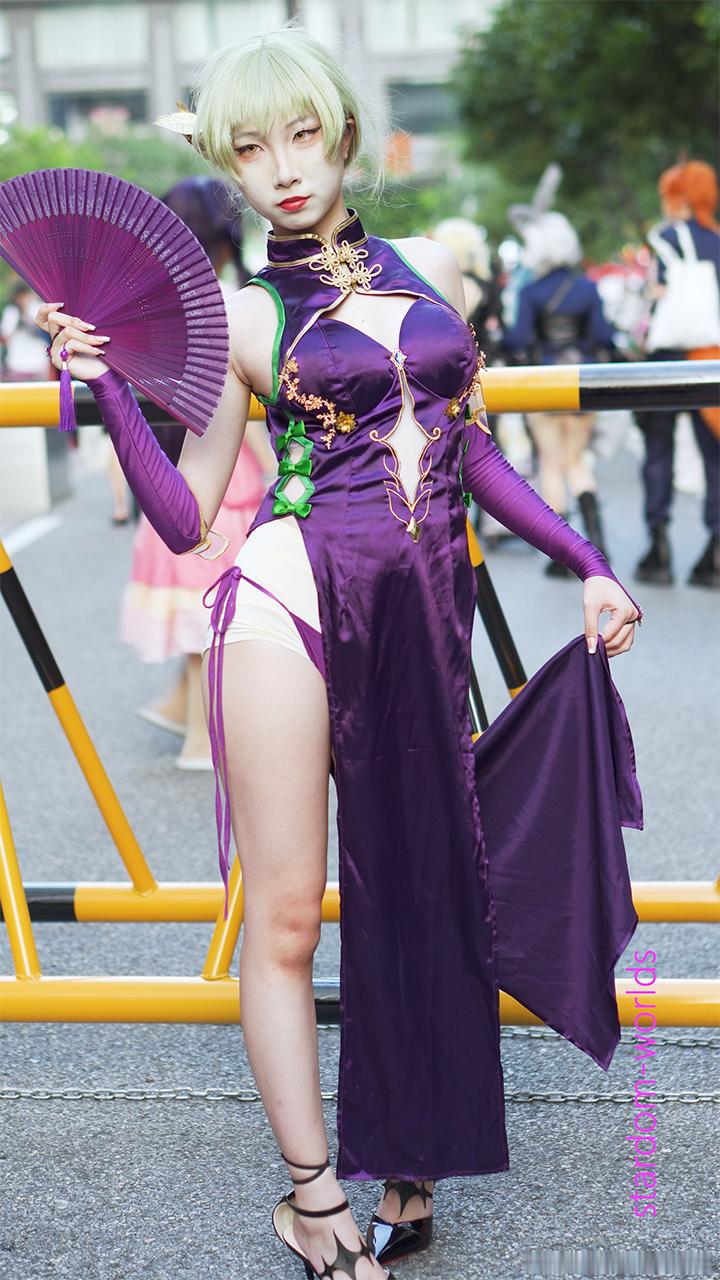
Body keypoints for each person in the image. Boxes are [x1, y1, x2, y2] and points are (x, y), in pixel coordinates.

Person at [35, 25, 643, 1280]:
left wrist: (587, 559)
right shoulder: (243, 313)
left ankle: (412, 1154)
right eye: (250, 150)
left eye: (302, 135)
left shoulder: (429, 283)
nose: (283, 168)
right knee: (288, 917)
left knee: (426, 883)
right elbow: (188, 514)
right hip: (289, 607)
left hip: (419, 614)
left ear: (344, 135)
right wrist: (106, 387)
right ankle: (313, 1198)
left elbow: (474, 451)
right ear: (230, 166)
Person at [124, 176, 277, 768]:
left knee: (197, 608)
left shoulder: (147, 304)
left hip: (167, 472)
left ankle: (178, 710)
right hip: (225, 474)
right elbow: (240, 409)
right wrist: (278, 469)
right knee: (215, 612)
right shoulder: (231, 300)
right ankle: (201, 737)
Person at [502, 209, 619, 578]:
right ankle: (598, 540)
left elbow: (518, 339)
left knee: (552, 464)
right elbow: (604, 336)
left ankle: (563, 556)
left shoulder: (531, 291)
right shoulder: (587, 288)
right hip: (584, 382)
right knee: (576, 461)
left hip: (544, 383)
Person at [633, 160, 720, 590]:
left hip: (667, 358)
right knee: (715, 454)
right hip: (710, 358)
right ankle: (716, 548)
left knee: (658, 448)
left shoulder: (665, 238)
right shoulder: (716, 240)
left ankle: (659, 545)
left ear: (678, 196)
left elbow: (657, 293)